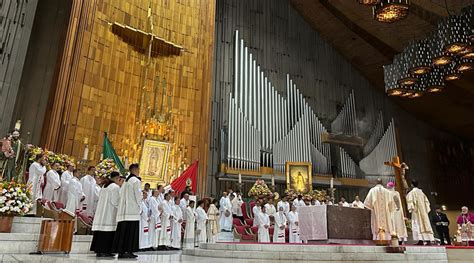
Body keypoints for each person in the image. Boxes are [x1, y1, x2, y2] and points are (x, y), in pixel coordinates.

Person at [113, 164, 142, 258]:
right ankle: (129, 251)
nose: (139, 171)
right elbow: (138, 196)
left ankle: (121, 251)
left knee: (123, 232)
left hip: (124, 211)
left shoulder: (126, 181)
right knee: (131, 232)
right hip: (132, 211)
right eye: (138, 169)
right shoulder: (136, 181)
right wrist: (140, 206)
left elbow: (121, 194)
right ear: (135, 170)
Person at [90, 172, 122, 257]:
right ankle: (105, 251)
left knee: (100, 232)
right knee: (107, 231)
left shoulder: (104, 186)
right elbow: (115, 201)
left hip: (101, 213)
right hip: (109, 213)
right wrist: (122, 206)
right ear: (117, 178)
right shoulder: (115, 187)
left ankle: (99, 250)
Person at [406, 180, 435, 245]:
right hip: (423, 212)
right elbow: (427, 202)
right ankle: (428, 240)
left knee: (418, 225)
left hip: (416, 212)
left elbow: (410, 201)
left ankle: (421, 240)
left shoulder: (412, 193)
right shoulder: (422, 193)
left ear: (412, 185)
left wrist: (411, 209)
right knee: (425, 225)